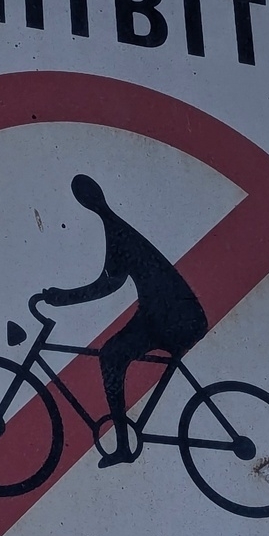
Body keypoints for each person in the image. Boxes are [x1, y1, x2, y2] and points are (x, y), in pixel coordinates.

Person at [36, 174, 208, 465]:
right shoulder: (117, 229)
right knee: (112, 354)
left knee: (111, 356)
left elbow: (108, 285)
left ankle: (123, 446)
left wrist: (61, 298)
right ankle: (123, 442)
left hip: (170, 316)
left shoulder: (118, 233)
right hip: (167, 312)